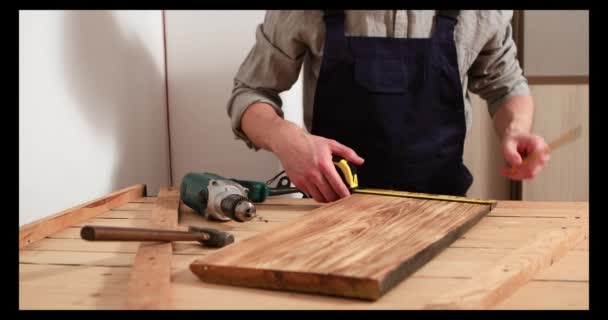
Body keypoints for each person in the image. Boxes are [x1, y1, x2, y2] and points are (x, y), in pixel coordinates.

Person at [227, 10, 550, 203]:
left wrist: (516, 131)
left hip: (445, 209)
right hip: (332, 212)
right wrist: (287, 140)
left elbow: (505, 84)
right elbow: (250, 91)